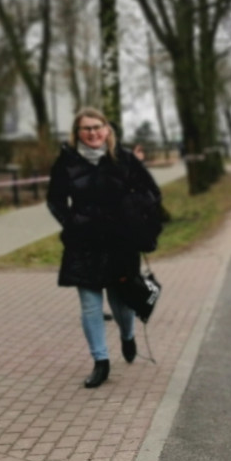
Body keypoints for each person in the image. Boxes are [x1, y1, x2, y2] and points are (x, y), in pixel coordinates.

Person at [47, 107, 163, 389]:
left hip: (120, 241)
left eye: (97, 126)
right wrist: (71, 221)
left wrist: (137, 215)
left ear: (107, 130)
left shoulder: (124, 159)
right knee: (90, 306)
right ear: (77, 134)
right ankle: (101, 362)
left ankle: (127, 335)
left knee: (120, 301)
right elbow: (55, 198)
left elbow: (151, 193)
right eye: (86, 128)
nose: (93, 132)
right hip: (83, 242)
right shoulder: (66, 161)